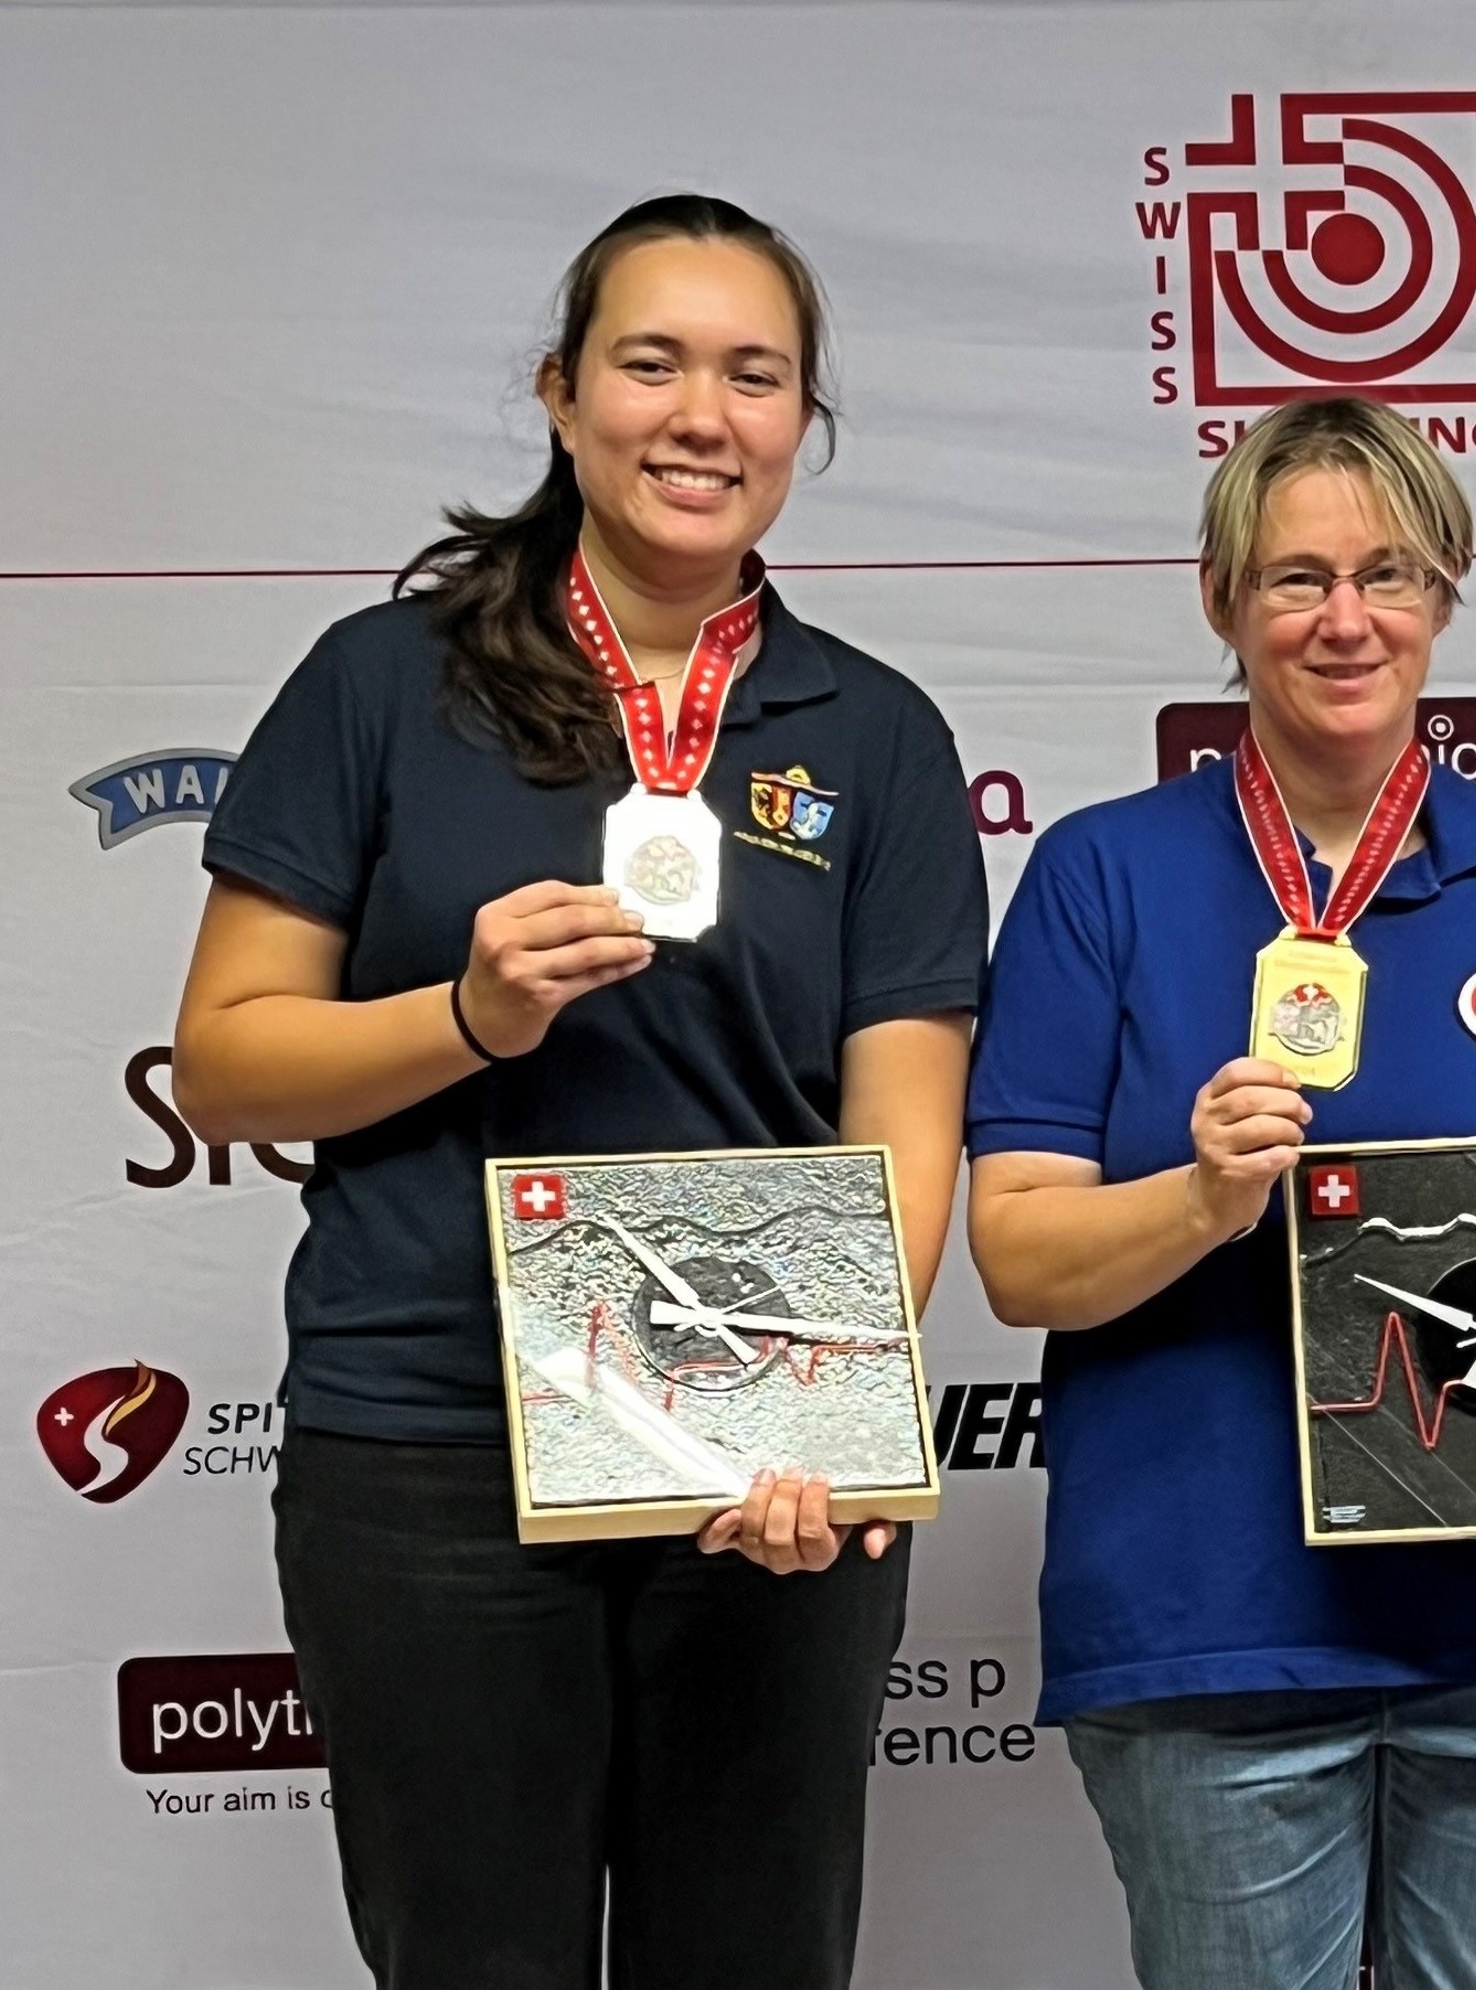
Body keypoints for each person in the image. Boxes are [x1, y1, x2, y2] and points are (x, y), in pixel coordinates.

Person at [170, 195, 986, 1990]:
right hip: (436, 1441)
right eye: (653, 362)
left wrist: (825, 1415)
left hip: (754, 1450)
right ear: (560, 395)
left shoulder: (877, 734)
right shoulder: (386, 683)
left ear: (800, 426)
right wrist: (462, 1013)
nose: (705, 414)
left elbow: (906, 1125)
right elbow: (226, 1056)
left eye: (755, 376)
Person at [966, 397, 1476, 1990]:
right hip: (1211, 1616)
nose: (1345, 618)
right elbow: (1017, 1254)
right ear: (1222, 603)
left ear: (1444, 592)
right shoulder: (1102, 873)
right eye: (1295, 578)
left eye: (1388, 572)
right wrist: (1201, 1198)